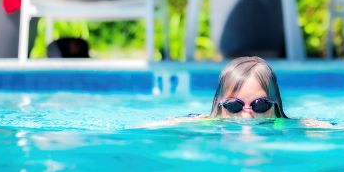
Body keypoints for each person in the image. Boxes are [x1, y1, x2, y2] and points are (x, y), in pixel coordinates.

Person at [133, 56, 332, 128]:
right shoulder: (211, 121)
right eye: (234, 105)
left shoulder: (281, 124)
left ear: (276, 106)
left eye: (260, 104)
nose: (247, 114)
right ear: (219, 107)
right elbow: (168, 125)